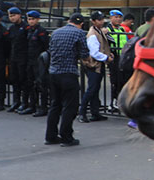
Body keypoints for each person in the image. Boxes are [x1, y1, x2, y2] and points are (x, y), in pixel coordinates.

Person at [45, 13, 90, 147]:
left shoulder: (56, 32)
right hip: (68, 73)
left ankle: (50, 136)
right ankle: (66, 137)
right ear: (81, 24)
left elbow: (50, 50)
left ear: (69, 21)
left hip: (53, 72)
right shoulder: (79, 33)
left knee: (55, 105)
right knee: (70, 106)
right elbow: (84, 54)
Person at [78, 12, 112, 123]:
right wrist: (106, 57)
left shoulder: (97, 31)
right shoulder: (93, 34)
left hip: (97, 64)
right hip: (94, 65)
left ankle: (95, 112)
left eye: (102, 19)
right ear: (93, 21)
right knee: (91, 89)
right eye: (99, 20)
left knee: (95, 89)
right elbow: (94, 53)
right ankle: (82, 113)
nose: (101, 21)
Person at [22, 10, 50, 116]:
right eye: (29, 19)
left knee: (41, 85)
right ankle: (32, 106)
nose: (31, 21)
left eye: (33, 19)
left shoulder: (42, 31)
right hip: (30, 61)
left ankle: (43, 107)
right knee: (30, 84)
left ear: (38, 19)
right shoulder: (29, 30)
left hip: (40, 62)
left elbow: (45, 47)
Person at [105, 10, 130, 113]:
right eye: (116, 17)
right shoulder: (107, 30)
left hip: (123, 59)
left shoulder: (122, 29)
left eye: (120, 17)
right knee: (115, 81)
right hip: (114, 58)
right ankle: (112, 103)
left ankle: (119, 101)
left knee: (123, 80)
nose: (118, 19)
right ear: (111, 18)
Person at [6, 7, 29, 113]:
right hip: (14, 58)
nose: (12, 18)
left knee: (24, 81)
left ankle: (25, 102)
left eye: (13, 15)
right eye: (10, 16)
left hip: (23, 58)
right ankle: (16, 101)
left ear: (19, 15)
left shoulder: (26, 27)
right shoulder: (11, 28)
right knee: (15, 80)